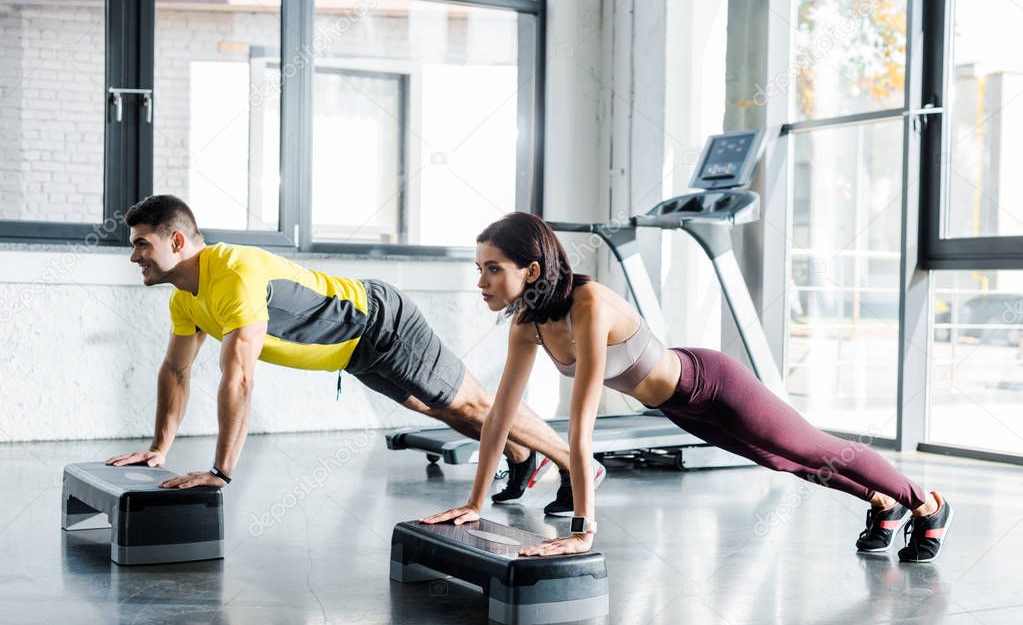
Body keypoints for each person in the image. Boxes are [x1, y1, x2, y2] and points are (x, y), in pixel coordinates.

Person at [422, 212, 953, 563]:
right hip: (678, 408)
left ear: (531, 268)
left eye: (493, 269)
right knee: (781, 461)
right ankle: (882, 501)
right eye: (479, 269)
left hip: (713, 383)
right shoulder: (526, 325)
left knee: (810, 447)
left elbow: (581, 432)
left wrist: (584, 528)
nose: (482, 282)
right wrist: (475, 502)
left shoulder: (589, 306)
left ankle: (927, 504)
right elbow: (499, 417)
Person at [105, 195, 604, 514]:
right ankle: (521, 456)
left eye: (142, 245)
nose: (134, 257)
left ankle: (576, 464)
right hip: (355, 352)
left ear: (175, 240)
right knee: (443, 409)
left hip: (380, 322)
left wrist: (219, 471)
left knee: (471, 403)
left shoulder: (232, 271)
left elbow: (238, 378)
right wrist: (159, 448)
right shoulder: (185, 299)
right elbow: (176, 370)